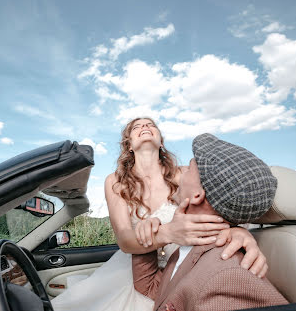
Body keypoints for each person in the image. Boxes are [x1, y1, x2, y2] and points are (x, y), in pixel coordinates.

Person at [51, 118, 266, 311]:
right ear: (129, 145)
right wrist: (167, 233)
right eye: (137, 127)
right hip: (137, 267)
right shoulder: (114, 181)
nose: (145, 126)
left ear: (161, 141)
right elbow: (125, 239)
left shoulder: (186, 173)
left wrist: (239, 231)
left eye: (150, 124)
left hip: (185, 265)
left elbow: (221, 206)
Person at [132, 133, 288, 311]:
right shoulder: (191, 248)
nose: (181, 173)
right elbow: (156, 291)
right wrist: (150, 235)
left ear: (197, 195)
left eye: (189, 169)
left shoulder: (229, 278)